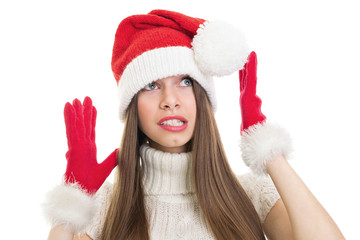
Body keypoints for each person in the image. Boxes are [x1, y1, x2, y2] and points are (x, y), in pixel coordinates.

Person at [42, 9, 344, 240]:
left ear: (203, 97)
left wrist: (269, 151)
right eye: (151, 85)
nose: (170, 100)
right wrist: (71, 209)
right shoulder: (105, 207)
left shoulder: (252, 195)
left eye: (185, 82)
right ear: (133, 107)